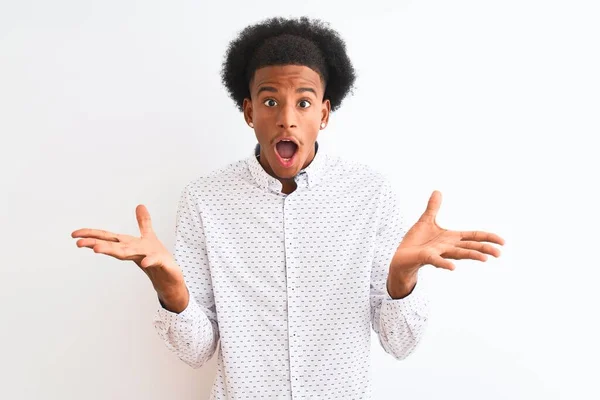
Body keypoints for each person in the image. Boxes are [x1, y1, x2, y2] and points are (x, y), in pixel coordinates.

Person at [71, 16, 504, 400]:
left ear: (325, 113)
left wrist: (401, 277)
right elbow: (196, 351)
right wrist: (169, 289)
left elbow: (400, 343)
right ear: (248, 111)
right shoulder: (205, 200)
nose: (287, 119)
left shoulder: (370, 195)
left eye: (303, 102)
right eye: (270, 100)